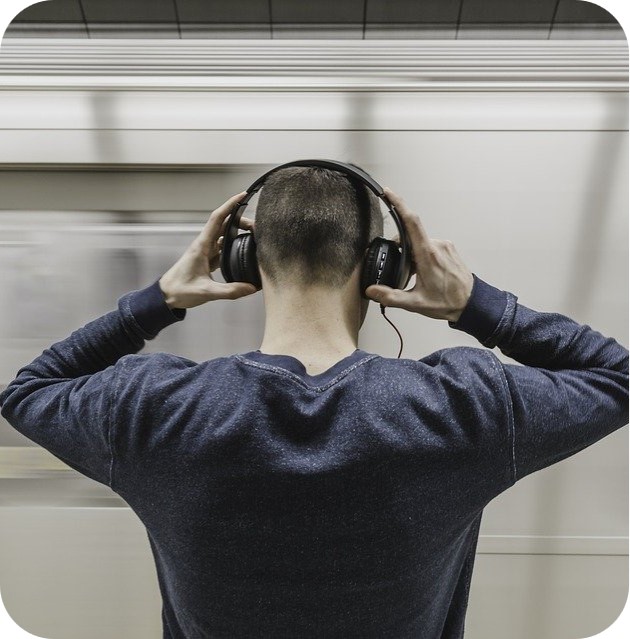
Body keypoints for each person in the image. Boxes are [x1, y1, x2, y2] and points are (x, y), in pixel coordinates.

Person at [0, 165, 627, 639]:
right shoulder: (463, 405)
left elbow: (27, 390)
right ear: (383, 266)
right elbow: (617, 378)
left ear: (244, 260)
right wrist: (477, 305)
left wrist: (158, 300)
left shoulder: (154, 407)